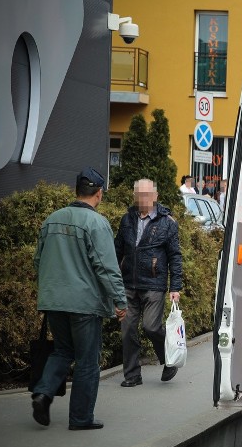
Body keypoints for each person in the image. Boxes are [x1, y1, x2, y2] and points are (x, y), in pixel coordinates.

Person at [31, 167, 127, 430]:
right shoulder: (96, 223)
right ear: (99, 193)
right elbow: (106, 267)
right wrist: (120, 301)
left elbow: (38, 261)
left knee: (62, 351)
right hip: (84, 304)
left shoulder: (52, 219)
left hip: (54, 300)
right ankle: (81, 418)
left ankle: (43, 392)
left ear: (77, 191)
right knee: (87, 361)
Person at [115, 179, 184, 387]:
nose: (143, 199)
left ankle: (169, 360)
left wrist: (175, 287)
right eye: (139, 195)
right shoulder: (127, 219)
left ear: (155, 196)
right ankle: (132, 375)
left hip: (154, 283)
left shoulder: (167, 223)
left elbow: (175, 256)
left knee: (151, 326)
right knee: (127, 330)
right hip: (128, 283)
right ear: (135, 197)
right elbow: (117, 250)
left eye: (147, 195)